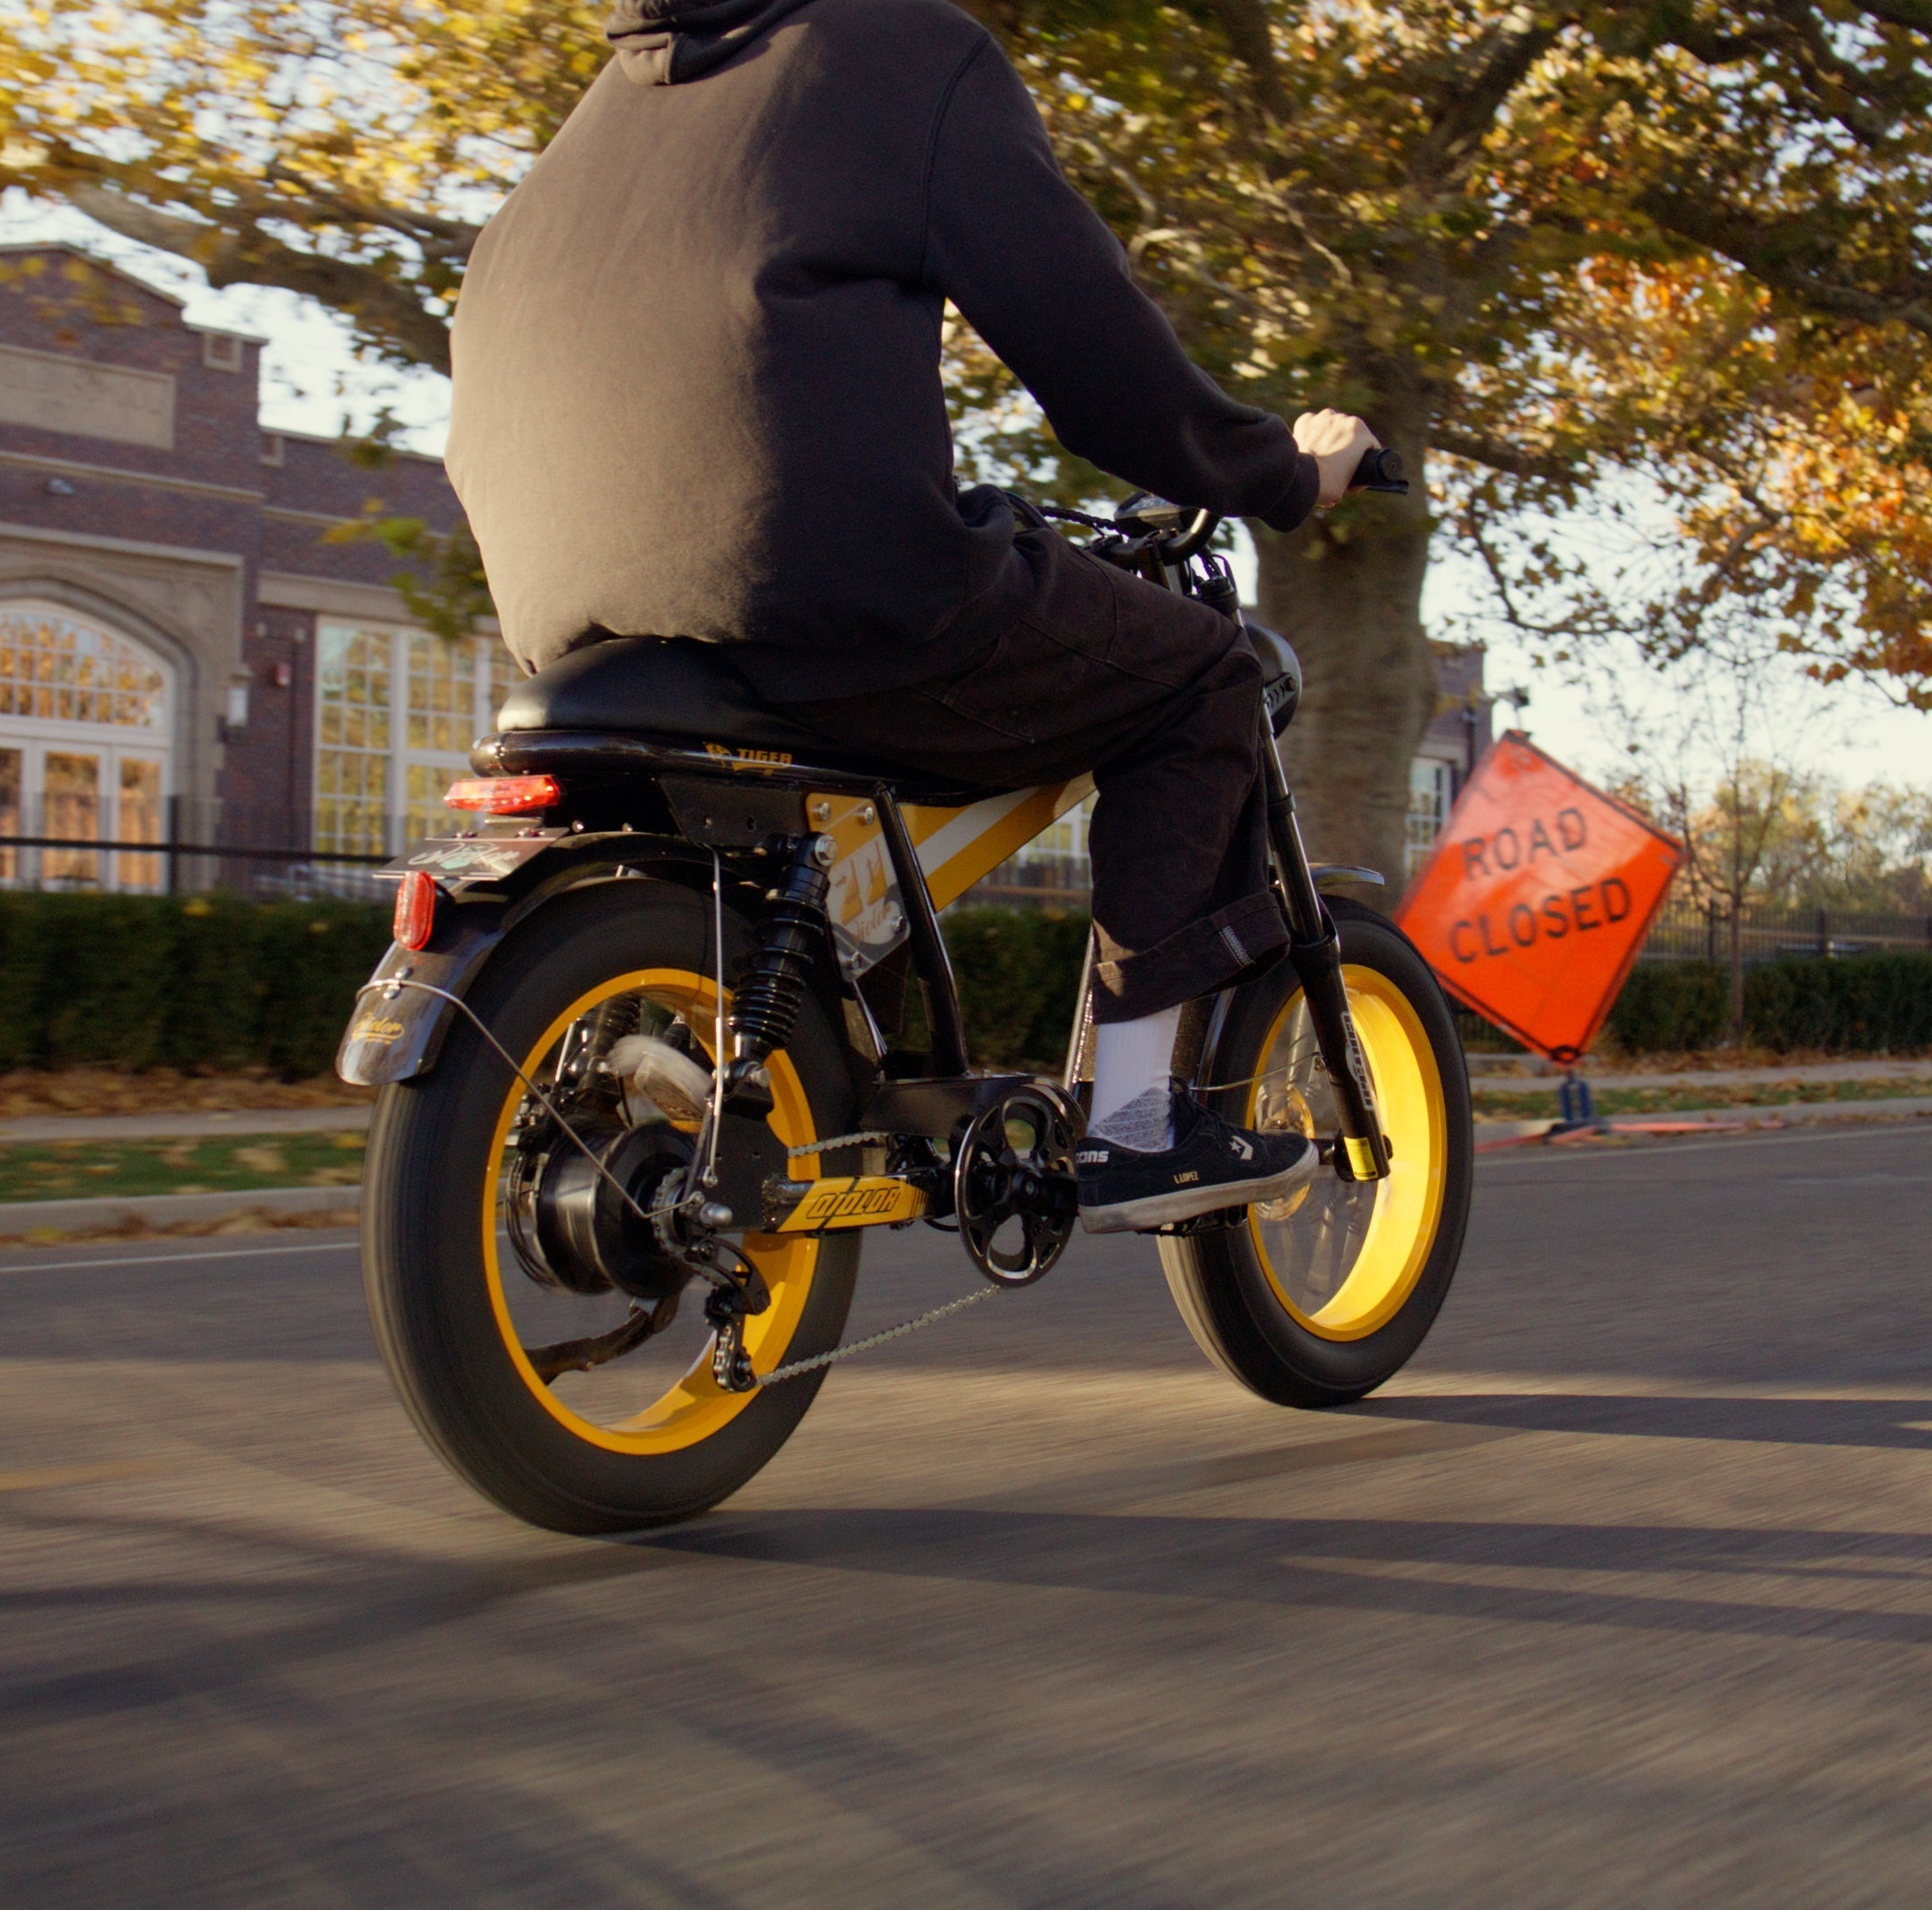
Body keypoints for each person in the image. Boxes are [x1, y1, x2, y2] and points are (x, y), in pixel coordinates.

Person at [444, 0, 1389, 1233]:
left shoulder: (582, 140)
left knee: (869, 761)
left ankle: (803, 1018)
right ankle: (1140, 1122)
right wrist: (1282, 473)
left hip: (573, 620)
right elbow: (1104, 367)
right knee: (1203, 676)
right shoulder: (900, 55)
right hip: (825, 593)